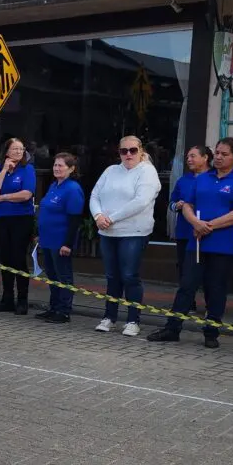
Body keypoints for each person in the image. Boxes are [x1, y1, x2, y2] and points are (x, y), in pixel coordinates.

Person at [148, 137, 233, 349]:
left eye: (225, 154)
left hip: (224, 244)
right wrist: (196, 223)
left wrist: (210, 225)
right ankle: (172, 328)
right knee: (187, 285)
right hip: (197, 241)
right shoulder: (203, 178)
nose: (219, 157)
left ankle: (211, 331)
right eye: (217, 152)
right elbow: (187, 204)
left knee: (216, 287)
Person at [88, 136, 162, 336]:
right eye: (123, 151)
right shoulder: (111, 170)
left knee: (130, 276)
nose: (128, 154)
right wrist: (98, 215)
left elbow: (141, 201)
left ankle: (132, 320)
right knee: (112, 277)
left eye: (132, 150)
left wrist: (110, 218)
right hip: (107, 231)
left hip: (133, 232)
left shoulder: (147, 171)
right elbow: (95, 195)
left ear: (140, 150)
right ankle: (109, 317)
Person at [0, 137, 35, 315]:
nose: (19, 152)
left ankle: (22, 300)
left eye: (21, 149)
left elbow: (26, 194)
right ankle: (7, 298)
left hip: (21, 219)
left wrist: (2, 198)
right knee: (5, 258)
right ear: (6, 152)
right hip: (0, 219)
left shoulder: (27, 169)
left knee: (18, 258)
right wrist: (4, 170)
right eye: (15, 149)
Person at [35, 153, 85, 324]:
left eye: (61, 166)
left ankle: (64, 311)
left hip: (60, 241)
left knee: (63, 276)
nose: (57, 168)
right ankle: (54, 307)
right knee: (52, 275)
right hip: (48, 240)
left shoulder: (72, 189)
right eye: (55, 165)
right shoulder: (54, 186)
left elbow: (74, 219)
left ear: (71, 169)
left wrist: (68, 243)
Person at [170, 145, 211, 291]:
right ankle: (188, 303)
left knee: (208, 270)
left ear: (205, 157)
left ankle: (210, 305)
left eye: (193, 156)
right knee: (184, 267)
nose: (189, 160)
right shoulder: (183, 180)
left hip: (206, 230)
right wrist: (177, 205)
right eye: (187, 157)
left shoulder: (214, 177)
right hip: (184, 231)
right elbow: (171, 203)